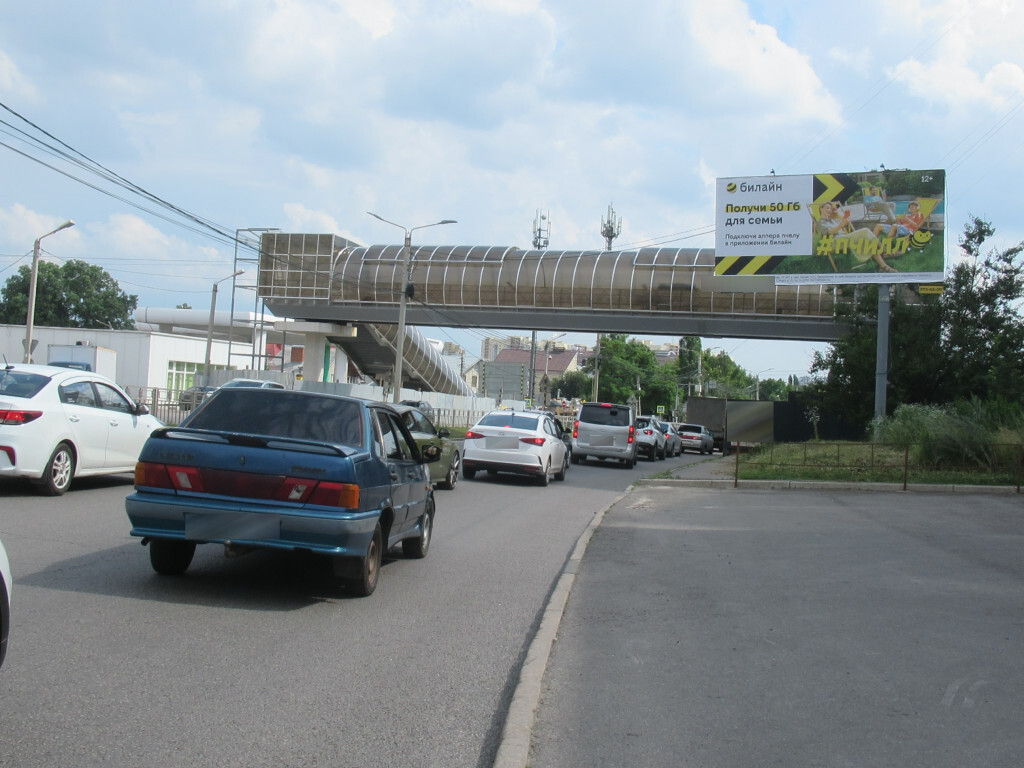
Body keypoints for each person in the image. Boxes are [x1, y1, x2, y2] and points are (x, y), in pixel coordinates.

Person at [813, 201, 896, 273]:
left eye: (831, 209)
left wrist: (837, 214)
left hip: (844, 238)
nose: (829, 210)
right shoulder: (820, 222)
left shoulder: (833, 219)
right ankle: (885, 252)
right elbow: (829, 232)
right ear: (821, 209)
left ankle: (883, 266)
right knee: (865, 231)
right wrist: (841, 225)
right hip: (834, 242)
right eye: (827, 208)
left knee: (866, 239)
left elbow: (847, 222)